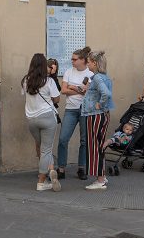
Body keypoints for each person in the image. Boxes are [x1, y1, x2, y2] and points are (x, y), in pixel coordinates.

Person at [22, 54, 61, 192]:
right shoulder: (49, 81)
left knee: (43, 148)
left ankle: (50, 171)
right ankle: (41, 182)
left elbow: (25, 96)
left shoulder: (26, 80)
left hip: (32, 120)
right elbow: (57, 99)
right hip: (47, 118)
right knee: (46, 150)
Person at [57, 46, 93, 181]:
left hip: (85, 110)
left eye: (74, 59)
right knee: (63, 139)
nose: (72, 61)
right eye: (72, 59)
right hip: (71, 110)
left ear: (83, 60)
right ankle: (61, 168)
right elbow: (63, 90)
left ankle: (81, 168)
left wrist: (72, 87)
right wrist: (79, 89)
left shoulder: (90, 73)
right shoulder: (68, 72)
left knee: (84, 141)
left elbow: (87, 91)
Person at [82, 50, 114, 190]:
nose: (87, 64)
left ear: (94, 63)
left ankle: (100, 179)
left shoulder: (97, 78)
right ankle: (102, 176)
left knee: (95, 146)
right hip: (102, 115)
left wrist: (99, 104)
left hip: (95, 115)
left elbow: (106, 93)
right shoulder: (104, 77)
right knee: (99, 145)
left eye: (88, 62)